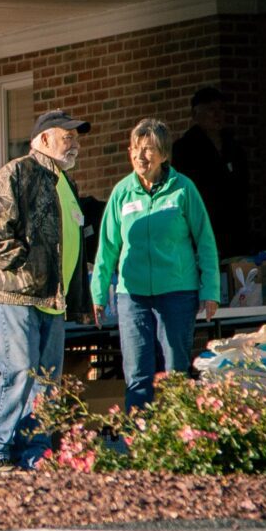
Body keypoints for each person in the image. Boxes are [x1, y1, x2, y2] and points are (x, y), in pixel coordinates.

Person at [0, 109, 90, 473]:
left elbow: (72, 244)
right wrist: (24, 265)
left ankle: (35, 453)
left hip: (52, 302)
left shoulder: (66, 184)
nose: (74, 143)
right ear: (42, 140)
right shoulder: (17, 173)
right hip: (17, 298)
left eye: (76, 137)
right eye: (66, 136)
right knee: (19, 372)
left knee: (46, 383)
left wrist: (78, 300)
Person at [92, 119, 221, 410]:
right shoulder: (121, 193)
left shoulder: (183, 189)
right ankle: (140, 445)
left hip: (177, 293)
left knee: (175, 372)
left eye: (148, 150)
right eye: (135, 149)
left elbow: (205, 241)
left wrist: (210, 289)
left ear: (164, 155)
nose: (140, 156)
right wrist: (98, 293)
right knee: (137, 374)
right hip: (132, 297)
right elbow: (107, 247)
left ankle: (180, 442)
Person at [171, 85, 249, 255]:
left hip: (234, 228)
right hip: (203, 226)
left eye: (221, 109)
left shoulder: (233, 146)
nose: (217, 115)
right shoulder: (185, 149)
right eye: (211, 110)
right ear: (195, 114)